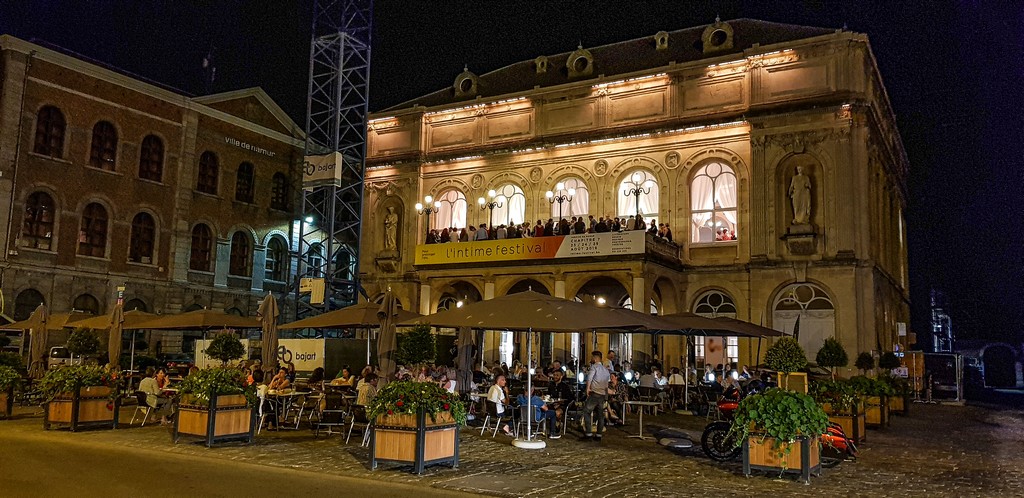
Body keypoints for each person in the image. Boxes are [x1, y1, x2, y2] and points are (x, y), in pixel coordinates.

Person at [582, 350, 610, 441]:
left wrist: (587, 389)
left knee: (587, 411)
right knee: (600, 415)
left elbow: (589, 378)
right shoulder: (606, 370)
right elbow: (606, 384)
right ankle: (599, 435)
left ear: (594, 358)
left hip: (594, 393)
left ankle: (589, 433)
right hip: (602, 394)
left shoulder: (594, 367)